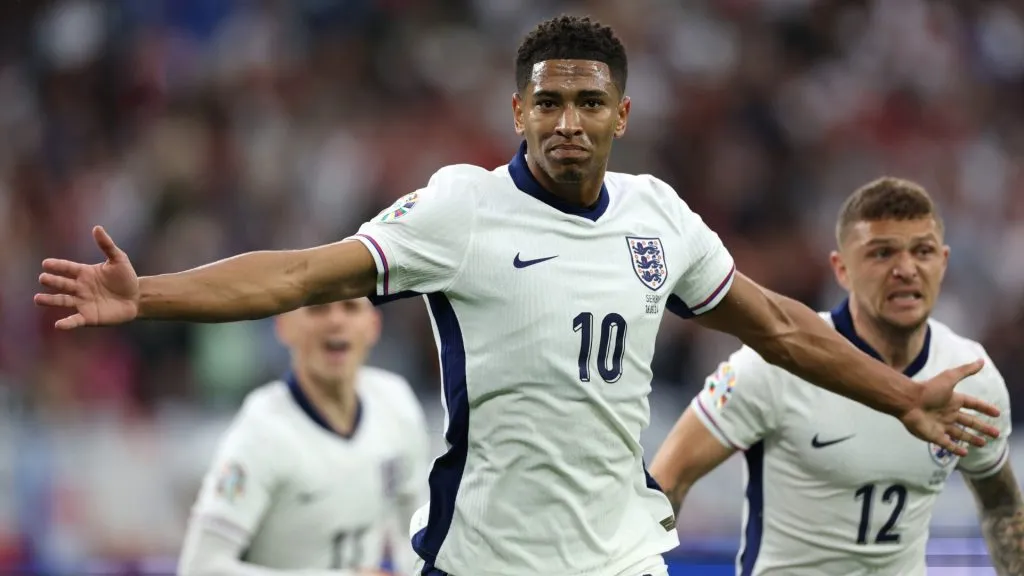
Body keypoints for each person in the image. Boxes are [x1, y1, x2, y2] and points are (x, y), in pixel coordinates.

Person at [35, 15, 1001, 576]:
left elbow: (782, 327)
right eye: (549, 102)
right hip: (486, 559)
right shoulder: (461, 211)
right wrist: (148, 295)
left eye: (588, 103)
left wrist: (901, 396)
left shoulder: (659, 217)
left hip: (622, 557)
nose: (567, 121)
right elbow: (298, 273)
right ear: (518, 111)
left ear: (622, 114)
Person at [649, 178, 1023, 576]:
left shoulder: (971, 376)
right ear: (841, 269)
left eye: (923, 251)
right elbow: (669, 479)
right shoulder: (775, 365)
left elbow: (1002, 504)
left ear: (944, 262)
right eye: (882, 253)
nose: (906, 270)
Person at [176, 298, 429, 576]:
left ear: (373, 325)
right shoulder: (261, 433)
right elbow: (199, 568)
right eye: (318, 309)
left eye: (351, 307)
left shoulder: (396, 403)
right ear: (283, 326)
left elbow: (415, 535)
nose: (336, 321)